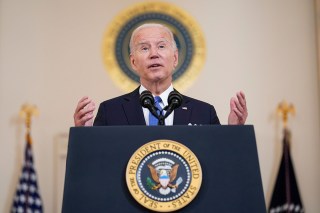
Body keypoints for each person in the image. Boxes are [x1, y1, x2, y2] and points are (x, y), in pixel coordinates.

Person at [74, 23, 248, 127]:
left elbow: (219, 164)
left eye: (161, 46)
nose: (154, 54)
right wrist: (84, 136)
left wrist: (235, 132)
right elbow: (96, 167)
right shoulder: (110, 111)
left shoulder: (204, 113)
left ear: (175, 57)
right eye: (144, 48)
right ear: (133, 62)